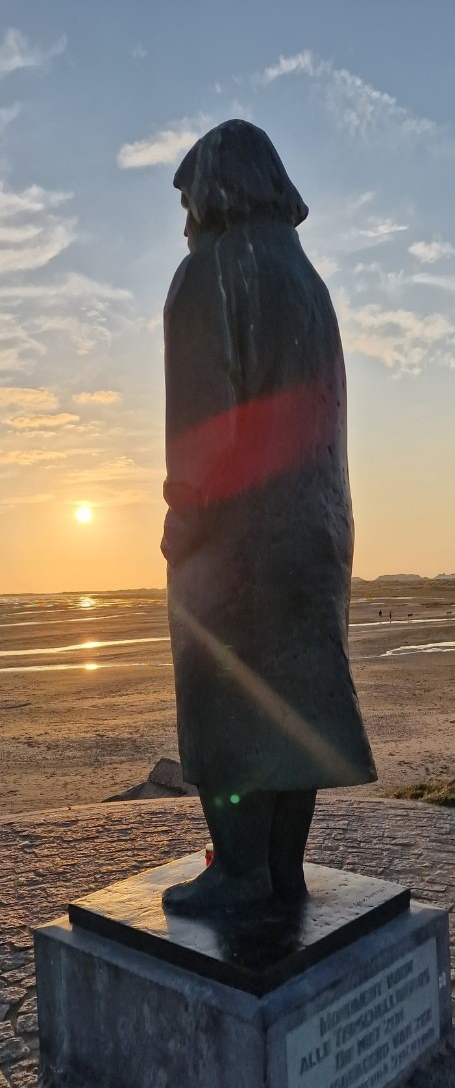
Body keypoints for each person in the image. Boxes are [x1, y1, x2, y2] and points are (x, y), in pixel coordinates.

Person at [160, 120, 376, 916]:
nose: (184, 218)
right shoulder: (308, 283)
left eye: (188, 197)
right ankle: (283, 870)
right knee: (299, 700)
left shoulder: (209, 273)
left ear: (216, 187)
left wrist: (183, 521)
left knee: (228, 698)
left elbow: (203, 429)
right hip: (317, 529)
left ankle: (240, 871)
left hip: (236, 536)